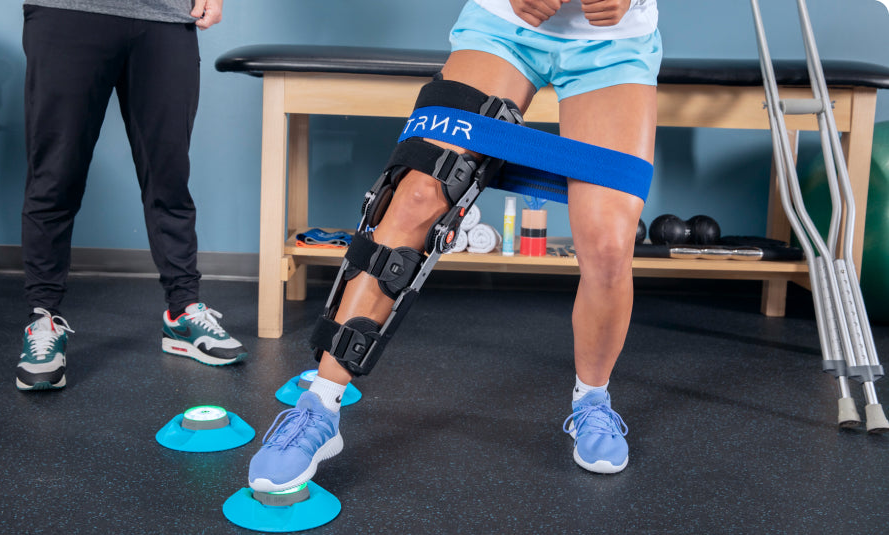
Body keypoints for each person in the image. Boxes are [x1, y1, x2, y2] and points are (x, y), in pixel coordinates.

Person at [249, 0, 660, 490]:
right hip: (505, 26)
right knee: (419, 191)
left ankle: (591, 402)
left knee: (609, 244)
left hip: (613, 42)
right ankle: (318, 406)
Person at [16, 0, 247, 391]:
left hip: (165, 17)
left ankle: (182, 311)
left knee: (168, 175)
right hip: (68, 11)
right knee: (56, 176)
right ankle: (44, 319)